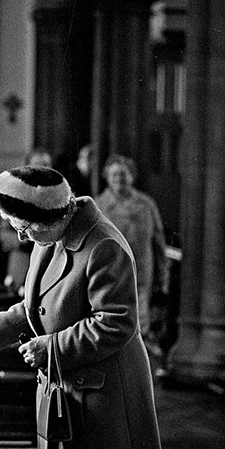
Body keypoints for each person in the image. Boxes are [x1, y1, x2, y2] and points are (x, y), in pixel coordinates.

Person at [0, 165, 171, 449]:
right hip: (70, 384)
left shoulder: (103, 245)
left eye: (25, 226)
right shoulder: (52, 237)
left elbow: (116, 322)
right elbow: (37, 306)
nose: (20, 234)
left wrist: (52, 347)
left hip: (104, 391)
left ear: (53, 216)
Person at [94, 154, 169, 359]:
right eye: (114, 175)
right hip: (109, 277)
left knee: (140, 326)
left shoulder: (146, 205)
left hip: (141, 275)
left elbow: (159, 244)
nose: (119, 179)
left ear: (132, 177)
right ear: (107, 178)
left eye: (123, 174)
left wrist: (163, 279)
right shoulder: (98, 206)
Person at [0, 148, 53, 295]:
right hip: (22, 259)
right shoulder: (13, 194)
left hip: (51, 259)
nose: (41, 171)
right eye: (36, 166)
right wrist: (25, 240)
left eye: (45, 166)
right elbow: (4, 233)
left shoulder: (59, 195)